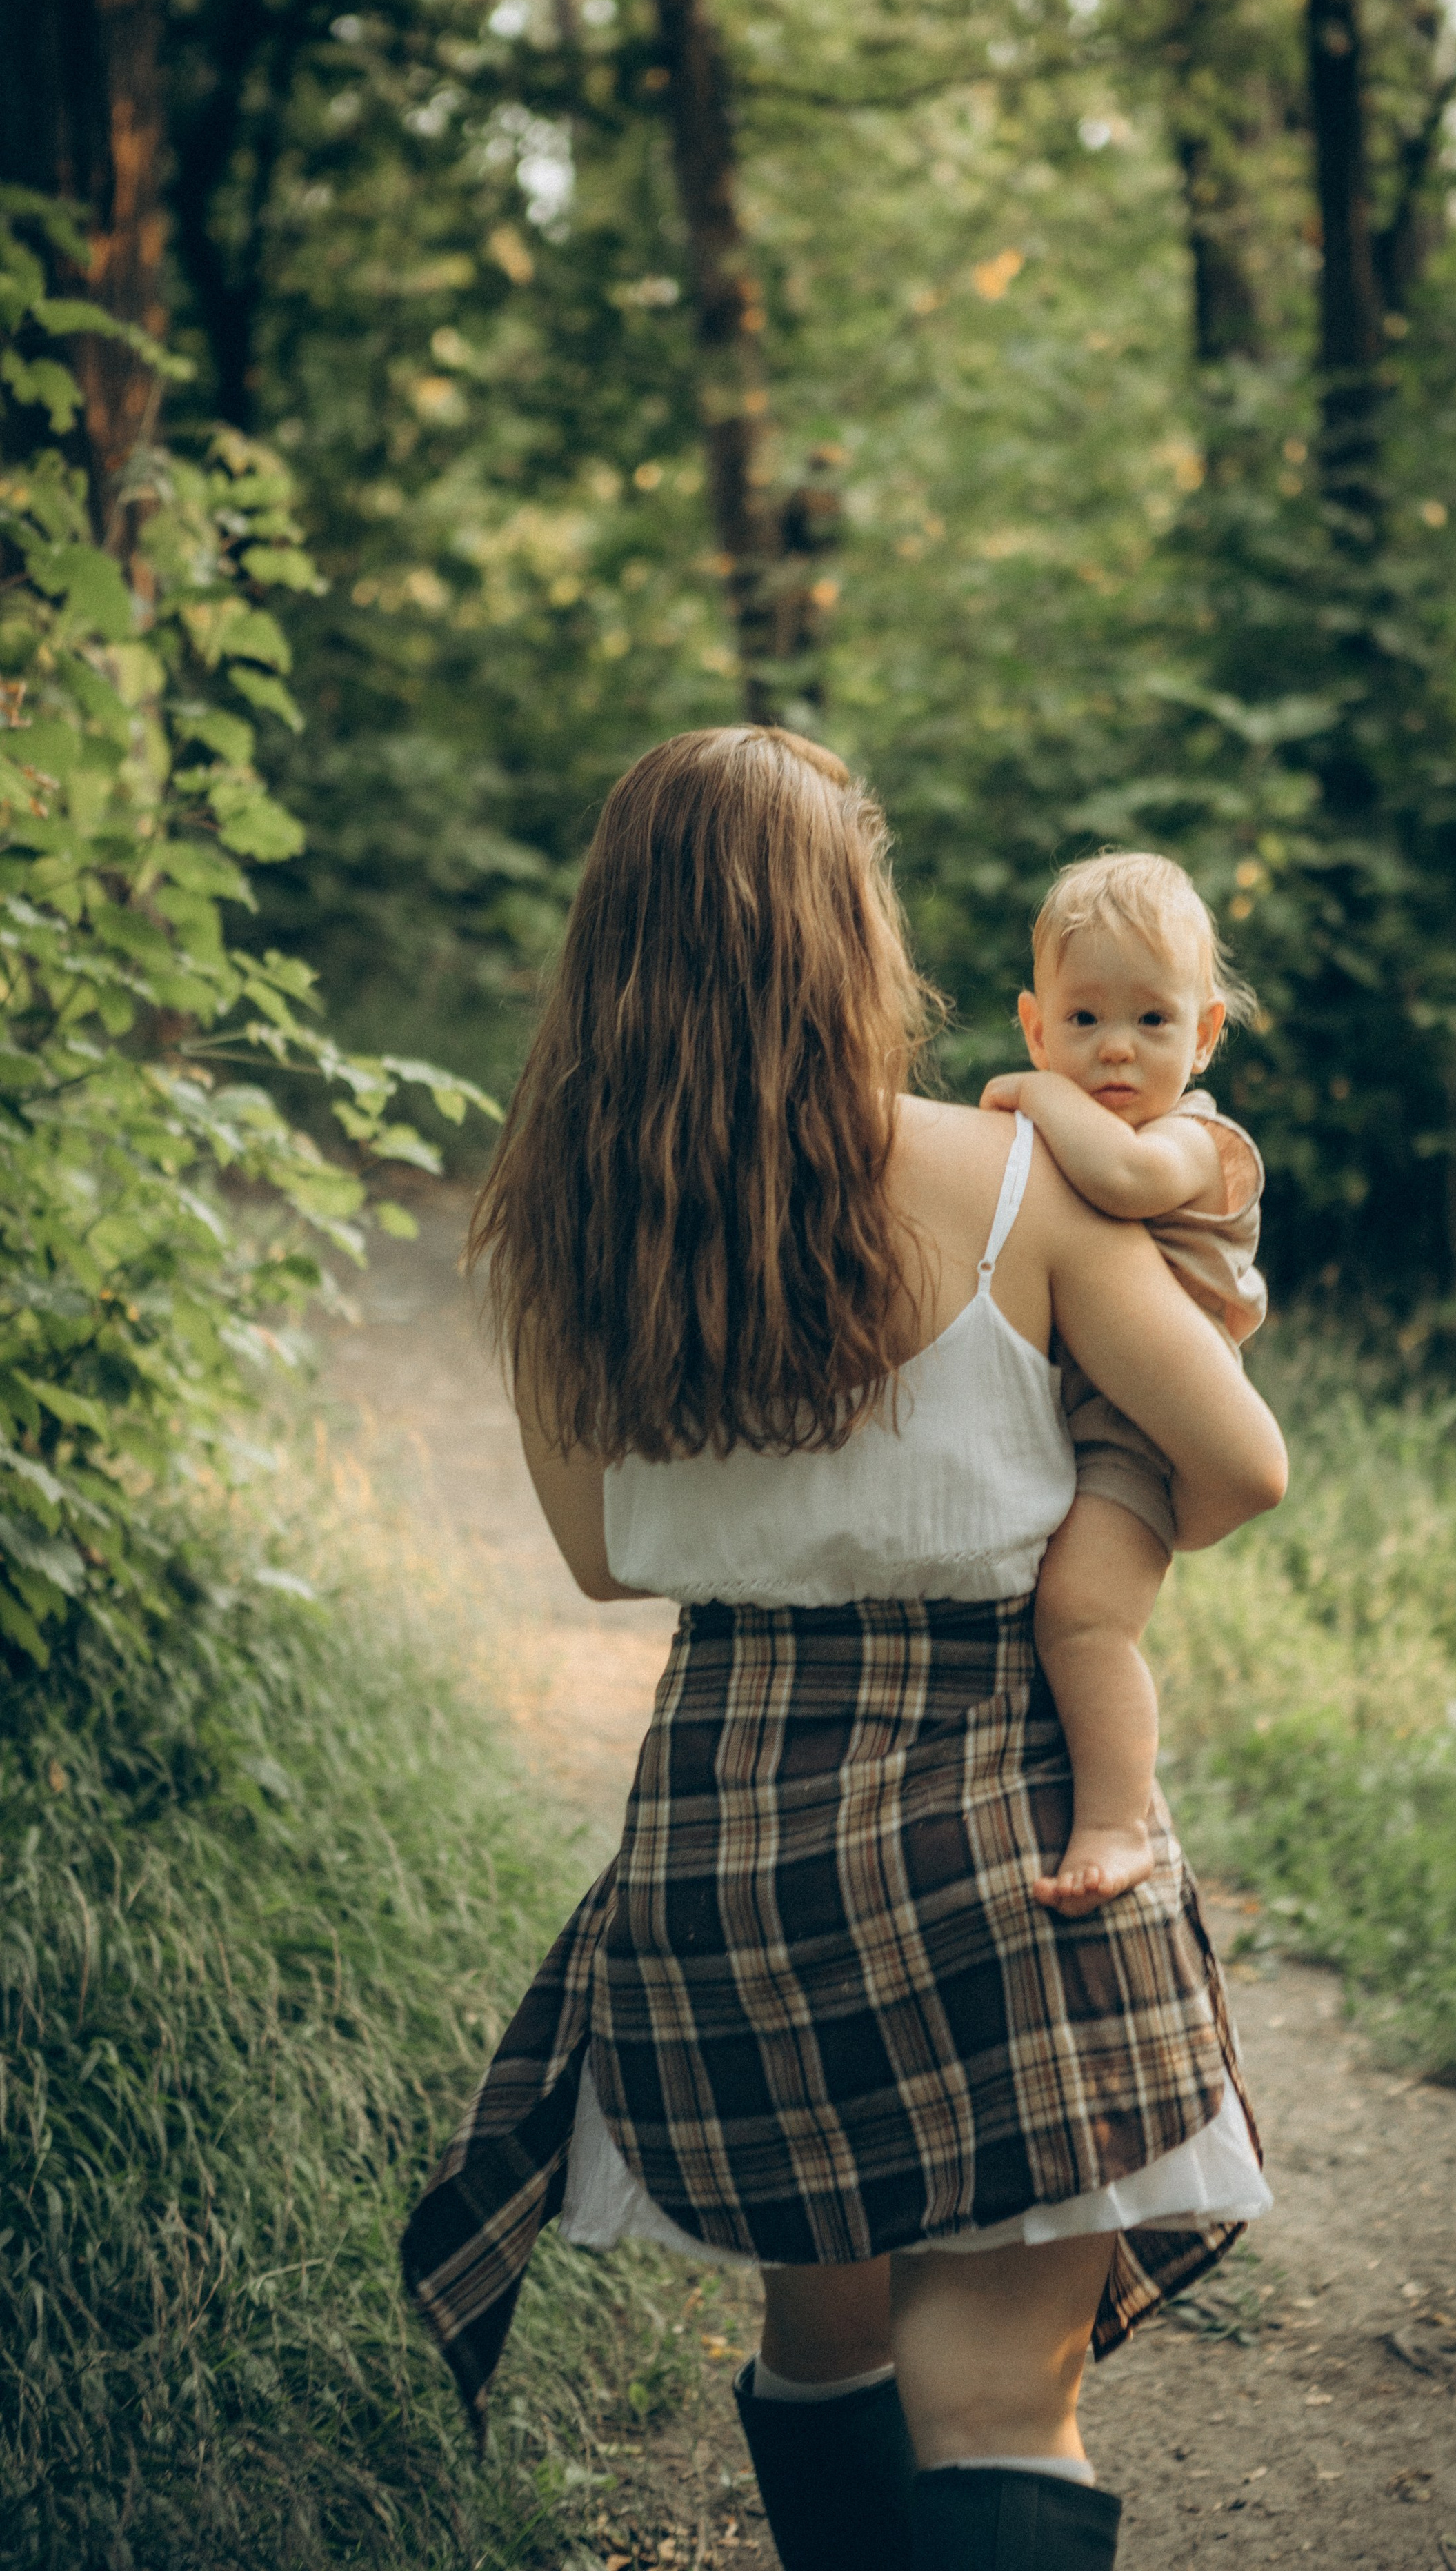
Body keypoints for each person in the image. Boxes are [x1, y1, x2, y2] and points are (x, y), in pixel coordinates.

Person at [401, 729, 1288, 2571]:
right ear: (846, 941)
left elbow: (593, 1559)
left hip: (733, 1835)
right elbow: (1240, 1462)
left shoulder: (566, 1231)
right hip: (997, 1811)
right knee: (1000, 2399)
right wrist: (1085, 1538)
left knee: (827, 2342)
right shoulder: (1010, 1174)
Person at [978, 852, 1268, 1918]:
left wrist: (1037, 1095)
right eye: (1086, 1016)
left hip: (1142, 1430)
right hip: (1063, 1413)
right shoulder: (1067, 1131)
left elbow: (1125, 1180)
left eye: (1153, 1021)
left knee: (1085, 1617)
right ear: (1035, 1018)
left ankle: (1116, 1822)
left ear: (1204, 1036)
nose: (1115, 1048)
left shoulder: (1195, 1140)